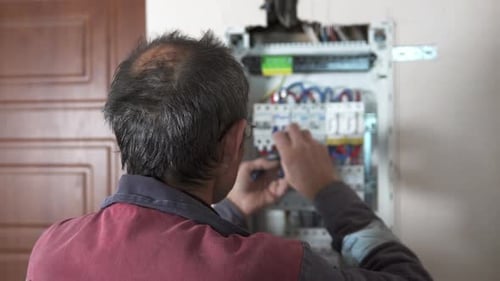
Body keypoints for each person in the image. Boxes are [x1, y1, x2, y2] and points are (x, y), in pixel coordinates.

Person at [27, 31, 432, 281]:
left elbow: (162, 254)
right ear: (233, 143)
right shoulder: (260, 267)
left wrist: (232, 210)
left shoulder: (51, 249)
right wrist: (327, 189)